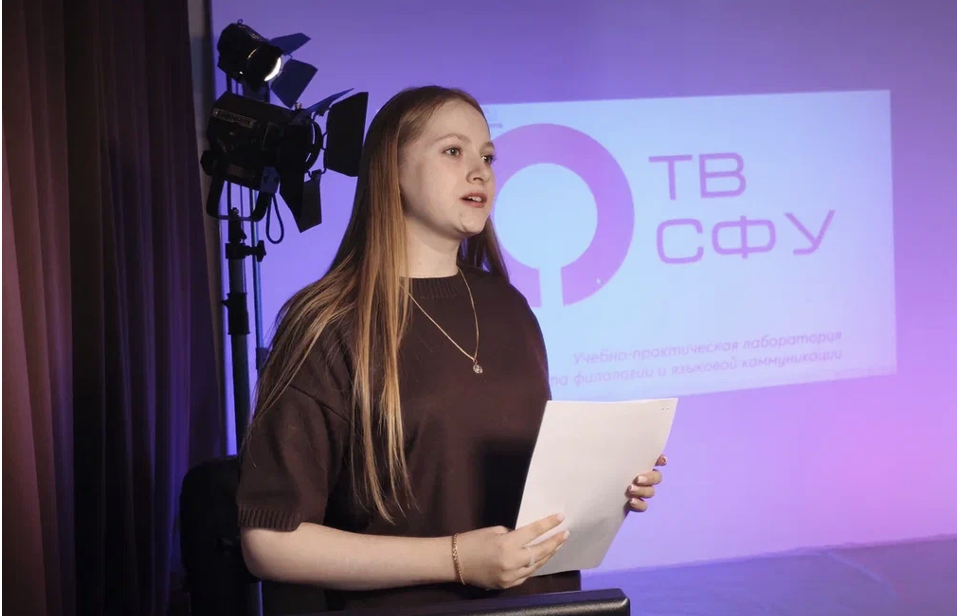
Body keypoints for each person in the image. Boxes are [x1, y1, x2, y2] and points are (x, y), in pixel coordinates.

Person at [235, 85, 668, 611]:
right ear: (391, 170)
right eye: (453, 151)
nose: (479, 171)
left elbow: (514, 485)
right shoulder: (326, 324)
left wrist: (603, 483)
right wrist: (456, 559)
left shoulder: (509, 307)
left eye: (487, 156)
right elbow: (270, 542)